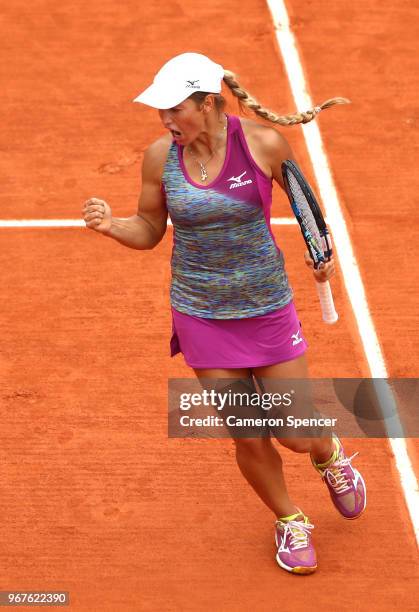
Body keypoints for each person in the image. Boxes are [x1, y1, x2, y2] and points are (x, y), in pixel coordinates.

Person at [82, 52, 366, 575]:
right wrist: (112, 226)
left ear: (208, 102)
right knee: (247, 431)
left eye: (175, 110)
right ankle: (290, 518)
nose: (166, 122)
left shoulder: (262, 143)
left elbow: (306, 204)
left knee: (293, 432)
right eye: (160, 113)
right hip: (201, 313)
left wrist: (321, 255)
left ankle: (327, 450)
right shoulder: (158, 158)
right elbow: (149, 230)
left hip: (266, 308)